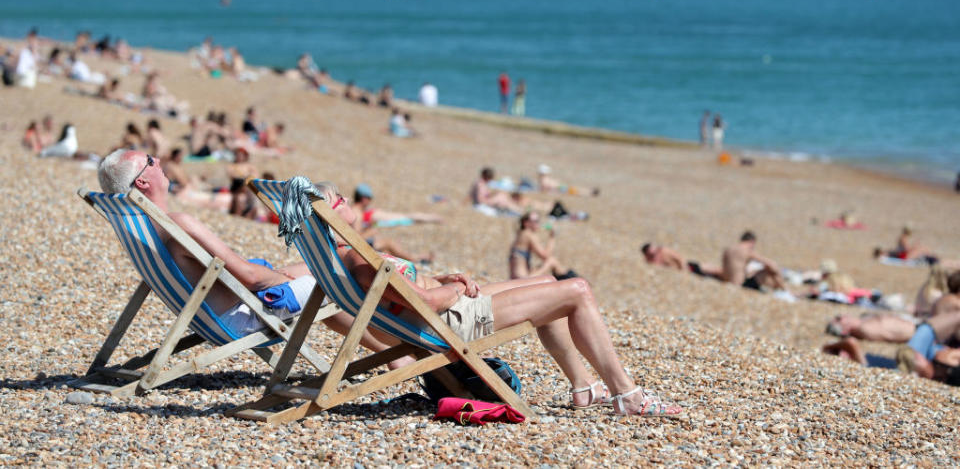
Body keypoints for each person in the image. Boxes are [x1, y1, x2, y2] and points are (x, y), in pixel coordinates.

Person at [281, 179, 685, 417]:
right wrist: (455, 288)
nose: (348, 203)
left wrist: (436, 279)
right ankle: (627, 394)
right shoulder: (357, 257)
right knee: (577, 290)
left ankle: (583, 385)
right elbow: (424, 303)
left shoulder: (341, 256)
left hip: (426, 314)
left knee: (546, 281)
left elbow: (398, 294)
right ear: (330, 212)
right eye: (340, 201)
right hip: (446, 322)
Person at [95, 150, 413, 364]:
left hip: (222, 307)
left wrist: (287, 276)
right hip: (246, 313)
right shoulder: (179, 224)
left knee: (330, 264)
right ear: (142, 182)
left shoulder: (138, 226)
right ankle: (400, 344)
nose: (159, 160)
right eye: (151, 160)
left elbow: (243, 276)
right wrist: (286, 279)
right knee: (336, 274)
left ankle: (393, 346)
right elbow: (250, 278)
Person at [508, 212, 577, 280]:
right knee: (552, 261)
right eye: (535, 221)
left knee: (545, 264)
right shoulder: (528, 234)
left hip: (517, 277)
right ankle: (572, 281)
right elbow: (545, 255)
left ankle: (570, 280)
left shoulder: (521, 234)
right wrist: (552, 237)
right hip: (522, 279)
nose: (538, 223)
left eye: (538, 221)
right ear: (526, 223)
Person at [352, 183, 442, 228]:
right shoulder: (358, 211)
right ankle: (433, 218)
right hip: (373, 215)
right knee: (407, 217)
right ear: (364, 199)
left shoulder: (353, 209)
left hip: (374, 215)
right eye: (370, 198)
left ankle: (432, 218)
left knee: (408, 217)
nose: (370, 201)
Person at [720, 231, 787, 291]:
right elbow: (771, 264)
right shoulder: (747, 250)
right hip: (740, 284)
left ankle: (782, 289)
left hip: (726, 280)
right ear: (752, 241)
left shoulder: (728, 249)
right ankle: (785, 290)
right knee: (770, 270)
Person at [641, 243, 723, 280]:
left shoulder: (664, 251)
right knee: (714, 277)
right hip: (685, 271)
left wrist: (684, 270)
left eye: (656, 251)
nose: (655, 253)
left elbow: (679, 258)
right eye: (652, 254)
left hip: (689, 267)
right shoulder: (651, 260)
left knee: (716, 271)